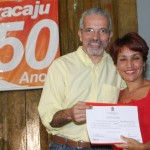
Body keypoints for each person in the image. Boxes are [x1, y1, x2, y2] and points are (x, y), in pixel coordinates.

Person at [38, 7, 125, 150]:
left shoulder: (118, 68)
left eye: (102, 31)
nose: (96, 37)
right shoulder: (61, 66)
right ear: (80, 34)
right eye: (89, 30)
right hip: (65, 146)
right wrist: (69, 114)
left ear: (110, 35)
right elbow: (49, 119)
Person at [109, 32, 150, 150]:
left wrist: (143, 147)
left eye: (135, 58)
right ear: (116, 65)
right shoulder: (116, 95)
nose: (129, 65)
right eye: (123, 59)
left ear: (143, 62)